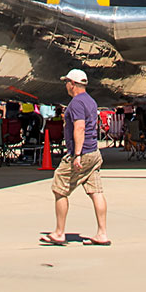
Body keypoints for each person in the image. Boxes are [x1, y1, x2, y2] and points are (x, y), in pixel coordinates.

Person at [43, 68, 108, 246]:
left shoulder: (77, 103)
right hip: (94, 152)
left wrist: (77, 155)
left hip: (82, 153)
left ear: (73, 84)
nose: (65, 85)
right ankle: (102, 233)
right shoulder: (91, 101)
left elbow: (79, 128)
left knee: (59, 188)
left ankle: (59, 233)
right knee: (96, 191)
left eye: (67, 82)